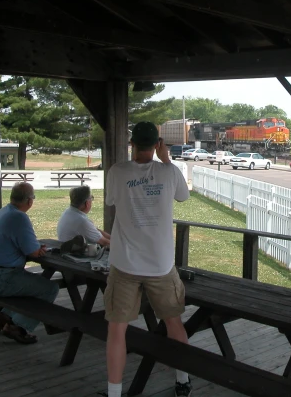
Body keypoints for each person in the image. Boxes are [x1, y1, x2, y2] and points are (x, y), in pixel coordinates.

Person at [102, 122, 191, 397]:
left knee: (117, 329)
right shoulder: (169, 172)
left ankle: (115, 393)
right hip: (161, 265)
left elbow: (110, 201)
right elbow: (184, 196)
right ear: (157, 144)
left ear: (132, 144)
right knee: (174, 322)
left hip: (125, 263)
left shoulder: (118, 172)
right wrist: (166, 160)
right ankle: (183, 380)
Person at [0, 182, 59, 344]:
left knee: (31, 286)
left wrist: (33, 248)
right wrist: (38, 250)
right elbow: (33, 252)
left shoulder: (5, 211)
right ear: (29, 201)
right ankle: (18, 327)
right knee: (49, 289)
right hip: (0, 278)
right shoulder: (19, 217)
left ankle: (3, 317)